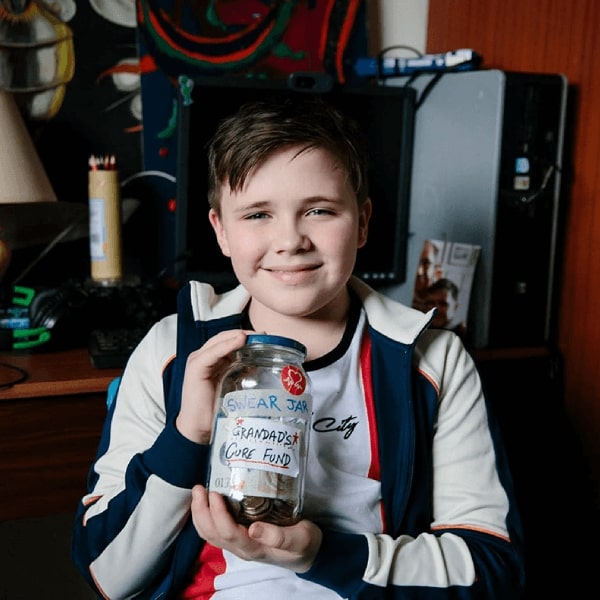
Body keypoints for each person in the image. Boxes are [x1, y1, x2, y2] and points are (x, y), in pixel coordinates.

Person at [72, 96, 525, 599]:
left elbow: (490, 569)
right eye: (258, 214)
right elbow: (109, 576)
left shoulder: (433, 362)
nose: (290, 240)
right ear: (221, 231)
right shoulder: (171, 352)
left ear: (364, 221)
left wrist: (321, 554)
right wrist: (188, 433)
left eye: (319, 210)